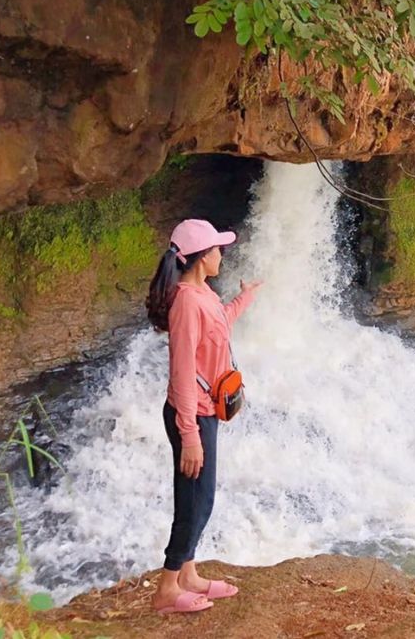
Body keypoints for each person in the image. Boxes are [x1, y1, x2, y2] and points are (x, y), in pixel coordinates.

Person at [144, 218, 263, 614]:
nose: (221, 255)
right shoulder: (186, 303)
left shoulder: (204, 293)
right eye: (216, 250)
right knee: (195, 501)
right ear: (200, 258)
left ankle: (189, 575)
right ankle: (166, 589)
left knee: (200, 497)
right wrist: (189, 434)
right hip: (190, 414)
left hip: (205, 410)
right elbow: (180, 371)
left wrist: (245, 299)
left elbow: (220, 327)